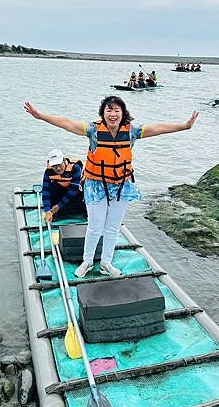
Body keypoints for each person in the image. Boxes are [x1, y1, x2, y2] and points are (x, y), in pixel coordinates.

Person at [24, 96, 198, 279]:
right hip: (96, 185)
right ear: (103, 113)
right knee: (94, 227)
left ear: (123, 113)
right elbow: (66, 123)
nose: (113, 114)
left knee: (113, 227)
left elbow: (158, 128)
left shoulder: (131, 131)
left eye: (116, 110)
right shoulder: (93, 130)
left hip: (121, 186)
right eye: (109, 110)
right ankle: (88, 261)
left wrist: (184, 126)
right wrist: (40, 116)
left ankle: (106, 263)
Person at [42, 148, 86, 222]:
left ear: (64, 160)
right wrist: (47, 211)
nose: (58, 168)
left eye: (59, 164)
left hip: (77, 192)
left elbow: (73, 190)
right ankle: (59, 211)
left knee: (82, 205)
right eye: (54, 166)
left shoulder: (75, 168)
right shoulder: (48, 172)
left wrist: (59, 206)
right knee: (53, 187)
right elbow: (45, 191)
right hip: (63, 190)